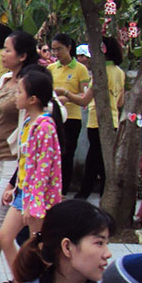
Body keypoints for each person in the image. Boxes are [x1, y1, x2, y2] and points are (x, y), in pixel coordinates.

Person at [0, 30, 38, 278]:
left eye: (8, 50)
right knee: (7, 226)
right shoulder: (3, 81)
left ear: (22, 56)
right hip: (0, 158)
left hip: (17, 163)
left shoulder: (31, 83)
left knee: (0, 224)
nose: (3, 54)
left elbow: (52, 110)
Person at [0, 67, 64, 273]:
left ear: (33, 99)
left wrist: (34, 204)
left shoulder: (45, 127)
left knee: (37, 248)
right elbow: (25, 162)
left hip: (38, 198)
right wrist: (14, 187)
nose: (15, 96)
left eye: (19, 92)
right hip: (24, 194)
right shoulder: (28, 123)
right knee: (5, 238)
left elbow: (42, 171)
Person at [66, 36, 125, 200]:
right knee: (103, 159)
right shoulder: (120, 73)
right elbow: (121, 101)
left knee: (94, 160)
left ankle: (84, 194)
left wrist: (65, 94)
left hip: (95, 121)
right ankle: (100, 193)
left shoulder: (101, 74)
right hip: (113, 120)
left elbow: (84, 99)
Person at [48, 33, 91, 194]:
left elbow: (85, 97)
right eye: (53, 50)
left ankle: (63, 192)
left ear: (69, 48)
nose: (56, 53)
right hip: (53, 117)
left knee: (66, 156)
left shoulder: (81, 69)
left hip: (72, 118)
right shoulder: (51, 68)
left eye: (59, 49)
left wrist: (67, 96)